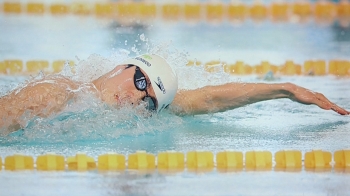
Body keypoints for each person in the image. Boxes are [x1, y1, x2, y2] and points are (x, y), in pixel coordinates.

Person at [0, 54, 349, 135]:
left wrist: (283, 89)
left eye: (149, 101)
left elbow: (208, 99)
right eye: (140, 84)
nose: (138, 100)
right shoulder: (55, 96)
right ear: (123, 67)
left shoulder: (128, 108)